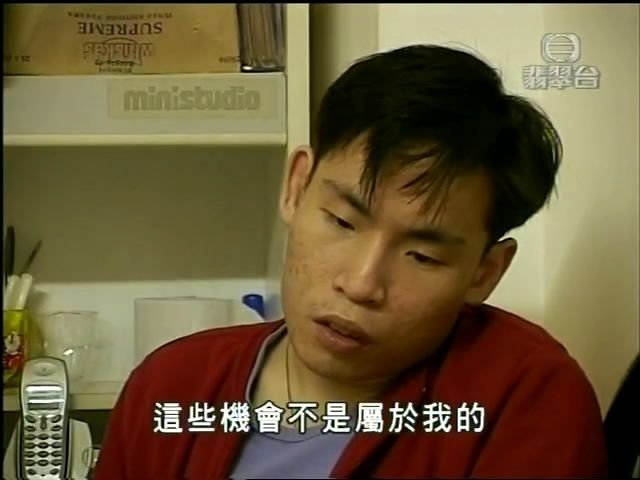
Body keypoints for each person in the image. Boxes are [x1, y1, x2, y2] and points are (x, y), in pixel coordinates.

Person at [94, 44, 607, 479]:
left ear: (484, 272)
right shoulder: (172, 386)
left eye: (422, 255)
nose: (361, 284)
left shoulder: (525, 400)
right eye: (342, 222)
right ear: (297, 186)